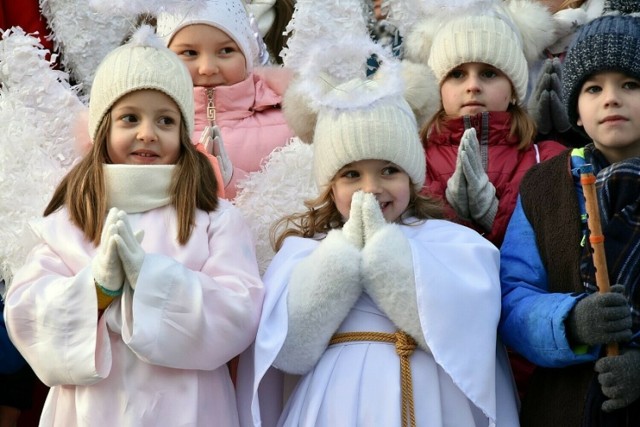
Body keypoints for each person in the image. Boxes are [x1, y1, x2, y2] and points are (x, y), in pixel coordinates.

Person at [236, 24, 520, 423]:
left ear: (412, 177)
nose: (371, 189)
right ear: (329, 186)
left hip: (430, 400)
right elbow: (291, 349)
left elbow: (467, 329)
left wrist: (388, 257)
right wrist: (342, 256)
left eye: (389, 170)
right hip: (335, 402)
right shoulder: (304, 251)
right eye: (351, 175)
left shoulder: (454, 243)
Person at [3, 26, 264, 427]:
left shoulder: (213, 217)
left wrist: (154, 281)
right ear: (103, 127)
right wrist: (97, 290)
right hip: (91, 411)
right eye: (130, 117)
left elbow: (239, 309)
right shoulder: (73, 218)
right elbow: (27, 314)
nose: (147, 133)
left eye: (165, 120)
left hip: (190, 411)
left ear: (183, 131)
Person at [499, 10, 640, 426]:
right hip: (566, 407)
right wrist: (570, 322)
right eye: (594, 88)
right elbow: (512, 296)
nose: (611, 98)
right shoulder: (545, 188)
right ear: (576, 111)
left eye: (630, 84)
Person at [403, 0, 565, 248]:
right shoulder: (411, 161)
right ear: (439, 88)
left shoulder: (547, 160)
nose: (472, 86)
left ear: (513, 88)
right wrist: (449, 211)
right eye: (457, 74)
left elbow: (555, 242)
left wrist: (493, 215)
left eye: (489, 73)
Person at [156, 0, 295, 199]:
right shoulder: (149, 128)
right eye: (189, 53)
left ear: (247, 55)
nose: (208, 68)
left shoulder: (292, 120)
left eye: (226, 51)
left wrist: (230, 181)